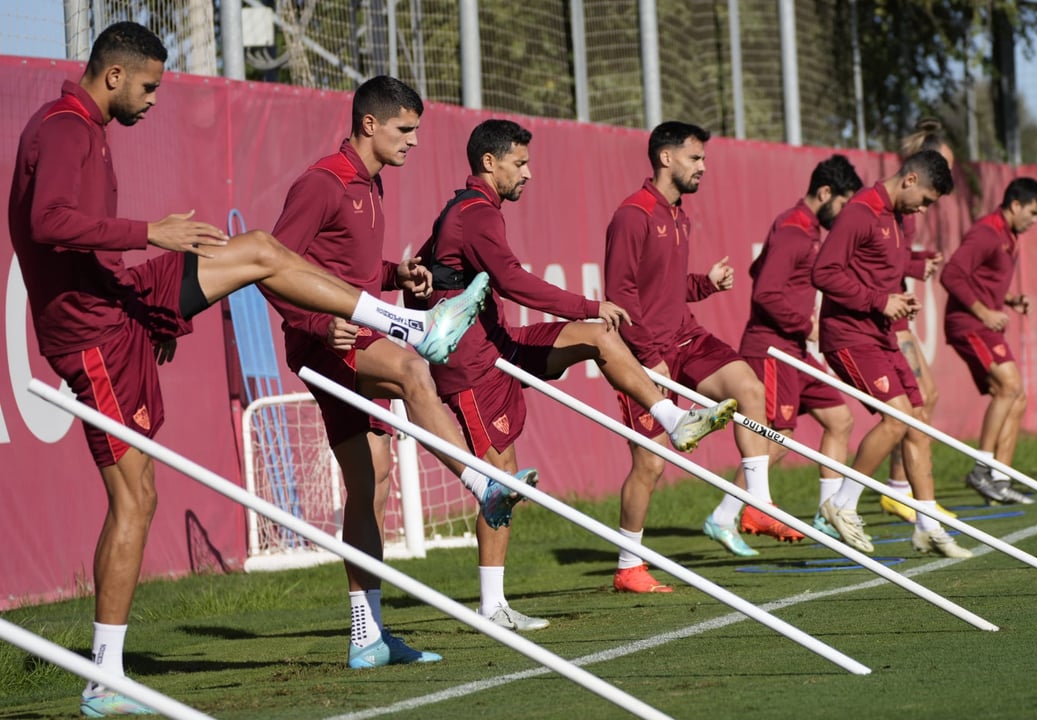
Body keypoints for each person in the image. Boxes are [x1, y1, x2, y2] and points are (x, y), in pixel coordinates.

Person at [6, 23, 482, 717]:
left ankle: (409, 324)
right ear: (113, 76)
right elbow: (46, 222)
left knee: (256, 247)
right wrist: (151, 233)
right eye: (149, 87)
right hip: (93, 333)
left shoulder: (81, 124)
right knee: (136, 499)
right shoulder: (67, 127)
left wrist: (154, 313)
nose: (153, 101)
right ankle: (105, 679)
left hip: (123, 305)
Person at [409, 119, 735, 604]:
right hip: (474, 365)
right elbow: (514, 281)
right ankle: (493, 606)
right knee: (500, 483)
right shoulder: (475, 212)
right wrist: (587, 304)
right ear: (489, 163)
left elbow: (425, 267)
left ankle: (675, 419)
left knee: (599, 337)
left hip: (501, 344)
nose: (529, 173)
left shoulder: (472, 210)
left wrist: (414, 284)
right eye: (520, 163)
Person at [265, 76, 514, 668]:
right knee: (412, 368)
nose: (415, 142)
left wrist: (392, 277)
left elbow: (338, 268)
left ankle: (366, 637)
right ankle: (483, 484)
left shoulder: (369, 184)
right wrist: (317, 323)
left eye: (418, 131)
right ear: (370, 124)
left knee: (372, 482)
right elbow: (269, 265)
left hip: (349, 332)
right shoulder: (323, 182)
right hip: (325, 341)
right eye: (406, 130)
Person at [604, 120, 776, 592]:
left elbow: (665, 286)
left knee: (748, 389)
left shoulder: (679, 214)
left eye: (704, 159)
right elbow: (619, 293)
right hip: (640, 353)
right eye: (695, 158)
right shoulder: (632, 214)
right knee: (651, 465)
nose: (703, 167)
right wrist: (647, 355)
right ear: (666, 158)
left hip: (685, 337)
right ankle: (628, 567)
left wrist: (705, 284)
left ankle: (757, 503)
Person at [811, 150, 972, 559]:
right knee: (897, 416)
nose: (925, 208)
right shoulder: (861, 211)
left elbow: (881, 265)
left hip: (882, 333)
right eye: (927, 199)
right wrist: (879, 301)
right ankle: (842, 504)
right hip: (848, 334)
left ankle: (927, 524)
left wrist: (903, 289)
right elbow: (824, 272)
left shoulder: (897, 218)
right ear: (910, 180)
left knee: (917, 421)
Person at [737, 155, 861, 543]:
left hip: (793, 349)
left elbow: (758, 270)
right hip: (773, 347)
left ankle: (828, 514)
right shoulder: (794, 231)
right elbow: (764, 291)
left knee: (840, 420)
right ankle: (728, 512)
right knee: (779, 434)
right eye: (841, 204)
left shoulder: (802, 229)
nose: (841, 215)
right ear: (825, 192)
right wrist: (803, 323)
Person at [940, 178, 1037, 505]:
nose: (1035, 219)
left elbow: (982, 280)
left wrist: (1010, 299)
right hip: (970, 323)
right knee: (1009, 386)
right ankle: (981, 469)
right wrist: (984, 312)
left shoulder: (1008, 234)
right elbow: (952, 274)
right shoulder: (987, 232)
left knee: (1016, 398)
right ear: (1014, 204)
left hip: (983, 322)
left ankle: (1000, 479)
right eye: (1032, 212)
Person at [877, 119, 956, 523]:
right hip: (883, 319)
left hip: (897, 311)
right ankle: (894, 493)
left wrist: (918, 262)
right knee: (914, 406)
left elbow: (893, 259)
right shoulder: (889, 206)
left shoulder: (909, 208)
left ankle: (900, 490)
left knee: (927, 398)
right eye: (942, 167)